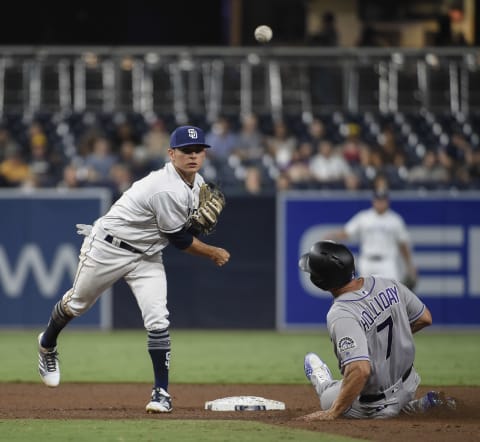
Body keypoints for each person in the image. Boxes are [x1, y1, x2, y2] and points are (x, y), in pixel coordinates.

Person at [37, 125, 230, 413]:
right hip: (108, 247)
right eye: (186, 151)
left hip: (147, 255)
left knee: (157, 318)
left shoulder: (197, 184)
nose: (192, 156)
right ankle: (47, 344)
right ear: (171, 154)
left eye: (198, 150)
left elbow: (181, 228)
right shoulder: (164, 187)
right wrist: (213, 252)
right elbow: (179, 240)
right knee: (77, 304)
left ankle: (162, 393)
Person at [298, 240, 455, 420]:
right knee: (358, 377)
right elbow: (425, 318)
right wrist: (390, 339)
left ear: (320, 281)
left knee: (329, 398)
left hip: (376, 405)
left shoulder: (341, 313)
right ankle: (418, 405)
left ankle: (324, 382)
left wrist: (332, 413)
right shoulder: (386, 282)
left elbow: (360, 370)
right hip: (409, 384)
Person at [325, 189, 417, 287]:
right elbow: (347, 233)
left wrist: (409, 265)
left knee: (392, 294)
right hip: (367, 261)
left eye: (383, 200)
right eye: (378, 200)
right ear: (373, 201)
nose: (380, 203)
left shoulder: (395, 219)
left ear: (387, 201)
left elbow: (402, 244)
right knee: (366, 296)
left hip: (387, 262)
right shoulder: (364, 217)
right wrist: (331, 236)